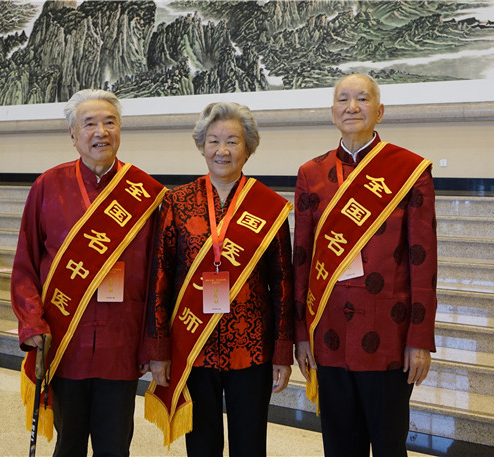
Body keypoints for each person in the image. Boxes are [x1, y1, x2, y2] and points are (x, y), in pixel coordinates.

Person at [11, 89, 166, 457]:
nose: (101, 132)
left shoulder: (146, 193)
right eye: (90, 123)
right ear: (72, 133)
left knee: (115, 446)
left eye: (110, 122)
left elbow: (159, 277)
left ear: (120, 129)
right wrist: (32, 323)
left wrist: (154, 342)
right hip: (66, 339)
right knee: (69, 444)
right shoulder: (48, 186)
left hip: (122, 343)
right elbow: (25, 265)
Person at [293, 74, 437, 457]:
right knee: (340, 446)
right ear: (333, 112)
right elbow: (301, 259)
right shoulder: (310, 174)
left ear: (380, 111)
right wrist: (301, 333)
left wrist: (419, 339)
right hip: (328, 333)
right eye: (343, 99)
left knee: (389, 445)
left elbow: (423, 262)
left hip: (388, 334)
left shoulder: (409, 170)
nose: (352, 107)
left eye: (362, 99)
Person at [144, 102, 294, 457]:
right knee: (202, 445)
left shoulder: (269, 206)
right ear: (201, 146)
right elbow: (160, 278)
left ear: (248, 148)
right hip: (193, 344)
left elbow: (282, 284)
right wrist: (159, 349)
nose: (222, 150)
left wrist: (282, 351)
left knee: (250, 444)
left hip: (252, 347)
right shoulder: (177, 202)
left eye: (232, 141)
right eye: (213, 141)